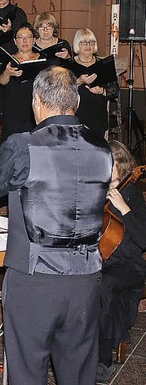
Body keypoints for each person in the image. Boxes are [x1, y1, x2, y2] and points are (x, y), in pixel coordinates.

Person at [0, 66, 112, 385]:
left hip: (34, 281)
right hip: (86, 282)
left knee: (28, 373)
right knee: (78, 376)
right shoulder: (103, 149)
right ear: (76, 102)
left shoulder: (24, 146)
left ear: (38, 101)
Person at [96, 140, 146, 384]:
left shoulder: (133, 196)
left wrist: (123, 208)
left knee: (104, 284)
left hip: (129, 265)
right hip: (101, 259)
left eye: (109, 162)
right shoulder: (97, 190)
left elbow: (144, 239)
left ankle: (103, 358)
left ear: (122, 166)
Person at [70, 28, 118, 139]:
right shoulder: (69, 65)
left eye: (91, 42)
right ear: (77, 44)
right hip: (76, 118)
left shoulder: (104, 64)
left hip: (98, 117)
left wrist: (102, 91)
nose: (88, 46)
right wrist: (79, 81)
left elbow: (115, 91)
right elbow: (62, 91)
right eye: (84, 42)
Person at [0, 22, 42, 139]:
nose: (25, 41)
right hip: (13, 111)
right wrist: (7, 73)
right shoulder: (8, 59)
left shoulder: (42, 59)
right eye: (21, 38)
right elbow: (1, 82)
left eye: (28, 37)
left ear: (34, 40)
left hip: (36, 110)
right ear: (15, 42)